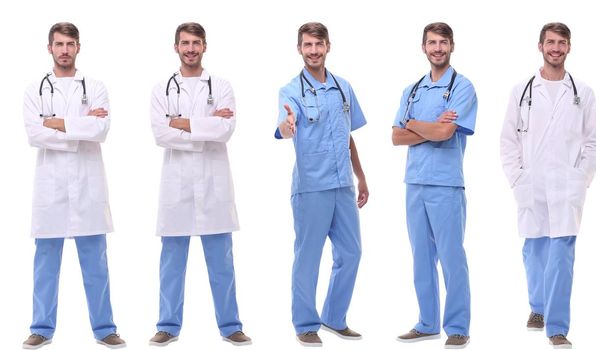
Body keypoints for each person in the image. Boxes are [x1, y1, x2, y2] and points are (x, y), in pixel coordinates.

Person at [21, 22, 125, 350]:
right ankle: (41, 328)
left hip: (88, 188)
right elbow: (34, 134)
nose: (64, 50)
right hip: (50, 189)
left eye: (70, 44)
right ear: (49, 48)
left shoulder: (95, 87)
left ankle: (105, 329)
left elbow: (100, 130)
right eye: (58, 44)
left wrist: (57, 124)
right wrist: (80, 126)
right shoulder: (34, 89)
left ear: (79, 47)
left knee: (96, 264)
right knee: (45, 266)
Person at [500, 22, 596, 349]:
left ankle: (557, 327)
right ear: (540, 46)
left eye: (561, 43)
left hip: (566, 188)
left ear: (569, 47)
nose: (556, 48)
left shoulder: (582, 93)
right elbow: (507, 141)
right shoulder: (522, 90)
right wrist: (518, 178)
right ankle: (537, 307)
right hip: (531, 184)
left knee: (561, 258)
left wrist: (579, 179)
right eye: (550, 42)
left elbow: (595, 143)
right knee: (534, 252)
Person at [148, 22, 251, 347]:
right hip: (176, 187)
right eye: (184, 43)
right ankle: (167, 325)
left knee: (222, 262)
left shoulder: (221, 86)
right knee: (171, 264)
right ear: (175, 47)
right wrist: (203, 128)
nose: (190, 48)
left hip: (213, 186)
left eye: (196, 43)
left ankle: (230, 325)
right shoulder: (161, 88)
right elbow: (160, 134)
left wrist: (182, 125)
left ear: (205, 46)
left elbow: (224, 130)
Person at [276, 22, 369, 347]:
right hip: (311, 187)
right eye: (307, 45)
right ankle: (305, 323)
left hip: (343, 184)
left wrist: (361, 177)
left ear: (328, 46)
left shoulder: (343, 88)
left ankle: (334, 316)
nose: (313, 51)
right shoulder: (290, 91)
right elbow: (285, 126)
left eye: (318, 44)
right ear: (299, 49)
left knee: (352, 252)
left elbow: (348, 135)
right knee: (308, 256)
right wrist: (288, 125)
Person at [391, 22, 476, 350]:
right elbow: (395, 137)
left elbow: (445, 134)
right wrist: (427, 126)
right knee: (421, 256)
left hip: (445, 184)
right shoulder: (412, 90)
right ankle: (427, 323)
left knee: (452, 256)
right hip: (415, 183)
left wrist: (412, 124)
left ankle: (457, 327)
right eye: (431, 42)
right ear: (423, 47)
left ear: (452, 46)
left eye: (443, 42)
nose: (437, 48)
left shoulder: (462, 87)